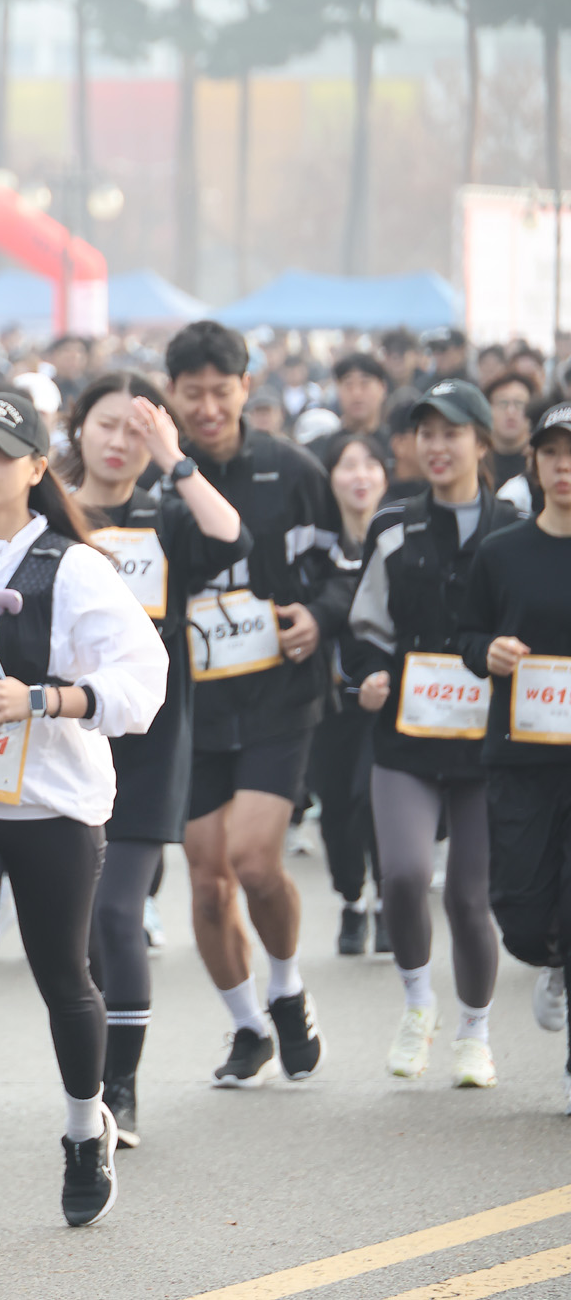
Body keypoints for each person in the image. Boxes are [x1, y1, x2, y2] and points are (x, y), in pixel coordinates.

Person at [0, 390, 167, 1237]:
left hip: (56, 805)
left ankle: (83, 1128)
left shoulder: (76, 567)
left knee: (66, 975)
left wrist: (49, 699)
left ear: (35, 467)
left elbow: (145, 679)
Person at [61, 372, 250, 1147]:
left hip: (149, 736)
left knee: (117, 912)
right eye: (106, 424)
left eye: (135, 429)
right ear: (77, 431)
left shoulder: (169, 514)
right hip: (62, 733)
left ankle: (121, 1090)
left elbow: (232, 536)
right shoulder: (52, 511)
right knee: (75, 926)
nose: (117, 441)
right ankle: (86, 1082)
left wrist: (177, 458)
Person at [166, 320, 353, 1088]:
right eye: (193, 394)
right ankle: (247, 1026)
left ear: (247, 387)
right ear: (171, 396)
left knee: (252, 860)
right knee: (207, 883)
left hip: (280, 694)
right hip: (191, 707)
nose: (208, 407)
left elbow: (343, 570)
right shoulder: (156, 480)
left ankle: (287, 986)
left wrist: (320, 616)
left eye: (222, 391)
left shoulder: (294, 471)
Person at [346, 381, 520, 1088]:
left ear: (482, 443)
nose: (438, 446)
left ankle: (475, 1033)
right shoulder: (393, 526)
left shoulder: (520, 527)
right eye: (427, 433)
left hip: (489, 740)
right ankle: (419, 1004)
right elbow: (366, 624)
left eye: (453, 433)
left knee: (470, 897)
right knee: (405, 875)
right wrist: (369, 673)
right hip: (407, 733)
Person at [456, 401, 571, 1108]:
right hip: (521, 756)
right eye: (554, 452)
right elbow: (466, 634)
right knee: (521, 913)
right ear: (534, 461)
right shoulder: (502, 551)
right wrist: (488, 652)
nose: (566, 466)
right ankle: (552, 962)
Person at [311, 432, 388, 956]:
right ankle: (351, 899)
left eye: (369, 464)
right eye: (346, 465)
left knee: (375, 799)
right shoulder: (315, 550)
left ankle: (387, 900)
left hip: (387, 700)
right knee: (337, 804)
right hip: (328, 701)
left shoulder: (404, 538)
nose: (359, 476)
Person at [485, 371, 540, 488]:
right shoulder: (477, 462)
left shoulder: (541, 461)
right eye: (503, 403)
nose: (511, 412)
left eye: (519, 403)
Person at [332, 351, 390, 437]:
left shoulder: (396, 445)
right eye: (349, 384)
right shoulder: (321, 447)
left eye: (365, 383)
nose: (356, 393)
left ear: (382, 388)